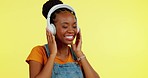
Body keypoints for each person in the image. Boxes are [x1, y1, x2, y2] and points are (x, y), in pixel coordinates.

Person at [26, 0, 100, 78]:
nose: (71, 31)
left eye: (74, 26)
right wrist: (52, 55)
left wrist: (79, 53)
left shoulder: (76, 55)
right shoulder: (39, 52)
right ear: (52, 29)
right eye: (65, 26)